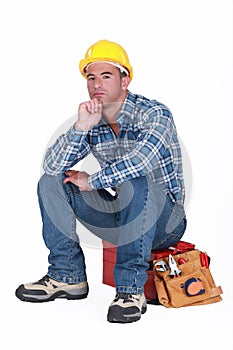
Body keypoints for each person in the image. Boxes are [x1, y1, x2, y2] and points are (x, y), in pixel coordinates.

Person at [15, 39, 187, 323]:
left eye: (106, 76)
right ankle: (66, 275)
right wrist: (81, 127)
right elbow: (51, 165)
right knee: (52, 181)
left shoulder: (155, 114)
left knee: (137, 182)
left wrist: (92, 180)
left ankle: (130, 291)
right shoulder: (94, 120)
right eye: (91, 77)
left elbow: (139, 164)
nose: (97, 83)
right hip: (121, 217)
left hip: (165, 223)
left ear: (125, 80)